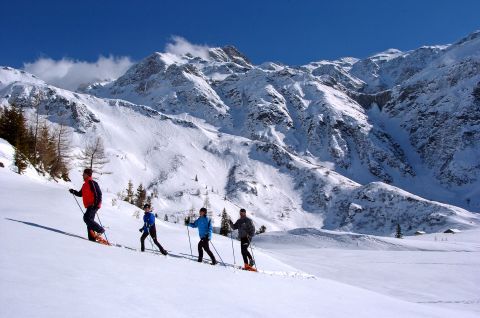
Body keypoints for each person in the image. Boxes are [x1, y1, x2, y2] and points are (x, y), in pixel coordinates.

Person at [69, 168, 105, 242]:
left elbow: (98, 194)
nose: (83, 175)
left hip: (93, 205)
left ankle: (100, 229)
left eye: (84, 174)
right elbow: (80, 194)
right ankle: (92, 239)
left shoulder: (92, 183)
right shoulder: (85, 184)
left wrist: (96, 204)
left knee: (86, 218)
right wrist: (73, 191)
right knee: (90, 221)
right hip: (90, 205)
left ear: (87, 175)